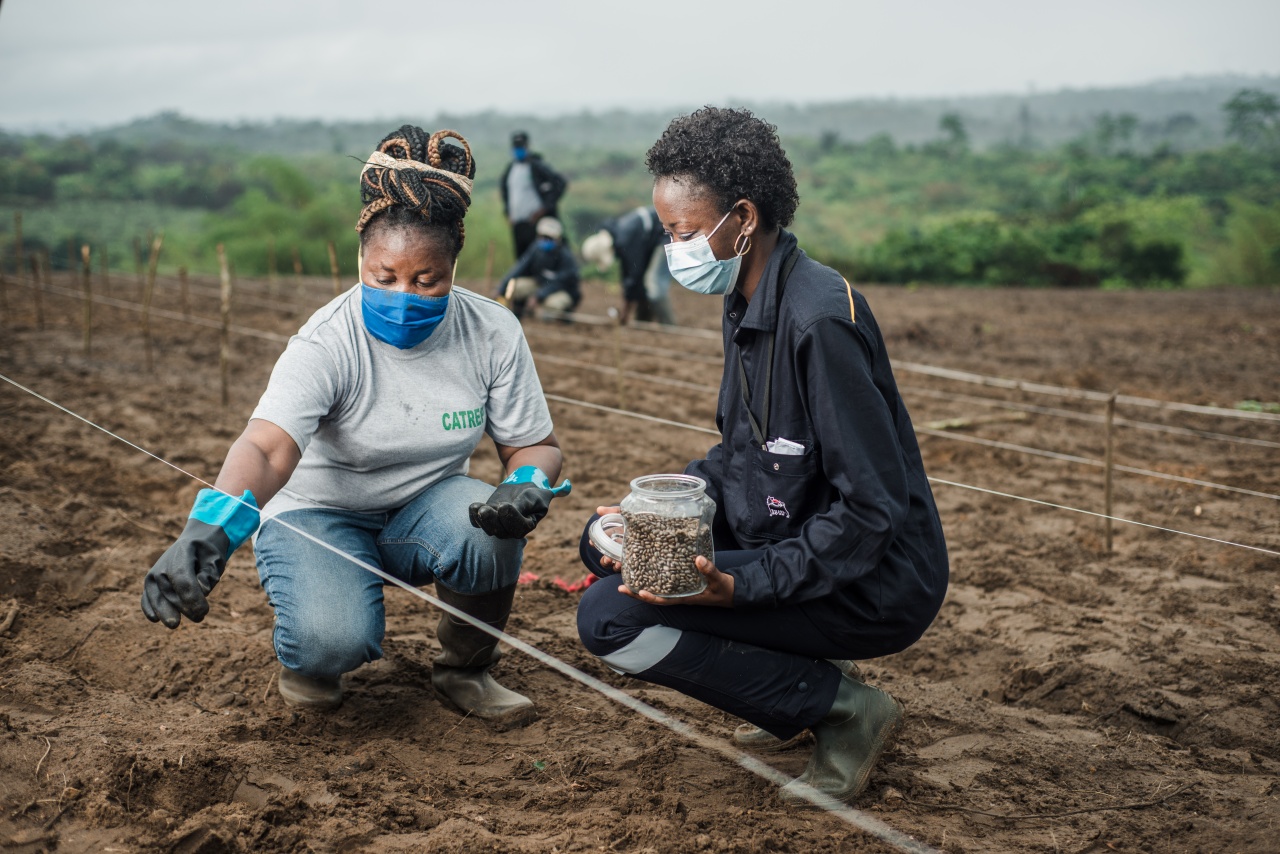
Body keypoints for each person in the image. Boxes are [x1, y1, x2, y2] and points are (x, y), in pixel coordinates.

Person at [141, 125, 570, 731]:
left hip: (425, 507)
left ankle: (465, 668)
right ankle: (314, 657)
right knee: (330, 640)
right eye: (384, 277)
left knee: (486, 525)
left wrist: (525, 482)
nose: (404, 296)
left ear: (454, 267)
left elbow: (534, 445)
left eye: (428, 280)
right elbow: (266, 448)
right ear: (360, 261)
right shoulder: (327, 342)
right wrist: (206, 532)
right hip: (318, 513)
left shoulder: (493, 331)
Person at [574, 107, 949, 802]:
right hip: (791, 529)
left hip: (874, 580)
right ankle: (788, 685)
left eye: (682, 232)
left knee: (610, 617)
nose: (672, 247)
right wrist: (662, 509)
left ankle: (841, 709)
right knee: (606, 546)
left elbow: (871, 510)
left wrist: (742, 586)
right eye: (667, 232)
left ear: (742, 217)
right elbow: (747, 452)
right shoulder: (749, 298)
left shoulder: (819, 321)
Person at [581, 205, 677, 326]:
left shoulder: (626, 240)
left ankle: (669, 326)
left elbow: (634, 274)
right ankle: (643, 320)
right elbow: (631, 273)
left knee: (654, 284)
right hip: (655, 237)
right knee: (643, 281)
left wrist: (625, 310)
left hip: (666, 236)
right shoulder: (618, 234)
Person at [496, 216, 581, 320]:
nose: (545, 240)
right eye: (542, 236)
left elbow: (560, 282)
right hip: (540, 284)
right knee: (515, 287)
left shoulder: (566, 257)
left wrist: (539, 296)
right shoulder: (536, 249)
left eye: (549, 238)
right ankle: (520, 312)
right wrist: (501, 288)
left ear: (558, 238)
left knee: (550, 307)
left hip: (562, 290)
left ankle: (565, 315)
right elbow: (519, 268)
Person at [500, 131, 568, 259]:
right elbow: (505, 192)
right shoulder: (511, 169)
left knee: (538, 257)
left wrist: (545, 208)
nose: (518, 150)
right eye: (516, 147)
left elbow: (559, 183)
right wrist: (508, 212)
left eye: (521, 147)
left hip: (535, 222)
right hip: (517, 223)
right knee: (521, 257)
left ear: (527, 146)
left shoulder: (536, 166)